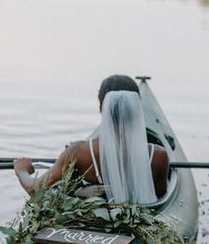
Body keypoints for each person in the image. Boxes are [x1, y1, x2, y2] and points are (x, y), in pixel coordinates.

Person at [14, 74, 169, 204]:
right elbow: (160, 195)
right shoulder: (159, 155)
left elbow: (34, 189)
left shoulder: (77, 151)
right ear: (136, 108)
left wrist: (21, 170)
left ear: (101, 106)